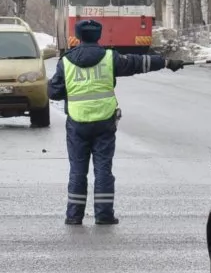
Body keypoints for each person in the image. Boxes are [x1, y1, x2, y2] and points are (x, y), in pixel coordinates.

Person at [48, 18, 186, 225]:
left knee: (78, 170)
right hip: (104, 122)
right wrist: (166, 62)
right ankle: (104, 215)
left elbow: (54, 92)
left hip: (77, 124)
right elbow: (137, 63)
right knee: (103, 169)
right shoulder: (109, 58)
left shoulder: (66, 61)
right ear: (99, 36)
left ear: (77, 36)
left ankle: (74, 216)